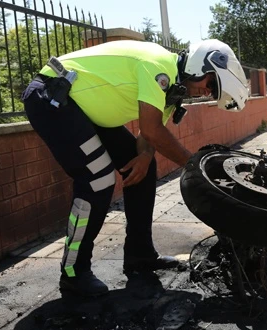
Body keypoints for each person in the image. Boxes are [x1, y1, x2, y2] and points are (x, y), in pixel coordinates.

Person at [21, 39, 249, 297]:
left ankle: (139, 254)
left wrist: (145, 156)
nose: (206, 92)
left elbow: (147, 135)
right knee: (98, 177)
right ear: (200, 66)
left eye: (212, 92)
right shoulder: (157, 65)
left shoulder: (172, 90)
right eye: (210, 84)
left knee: (143, 165)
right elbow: (153, 130)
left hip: (82, 109)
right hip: (53, 97)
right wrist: (195, 166)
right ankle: (74, 272)